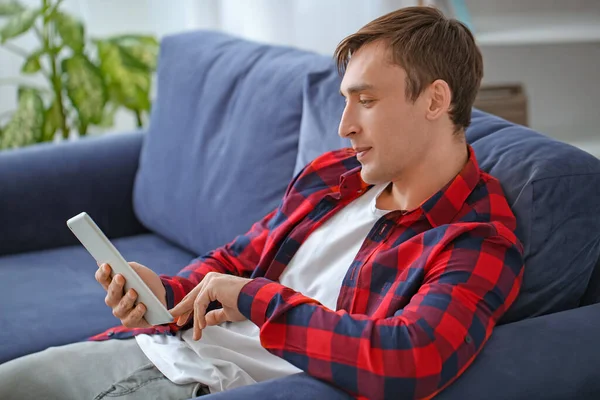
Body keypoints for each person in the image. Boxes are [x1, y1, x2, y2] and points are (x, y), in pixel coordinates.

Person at [0, 6, 524, 400]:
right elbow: (232, 263)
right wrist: (163, 292)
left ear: (435, 100)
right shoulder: (334, 178)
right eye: (345, 101)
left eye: (366, 101)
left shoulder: (476, 237)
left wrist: (255, 298)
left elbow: (409, 357)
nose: (344, 126)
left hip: (205, 382)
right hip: (152, 346)